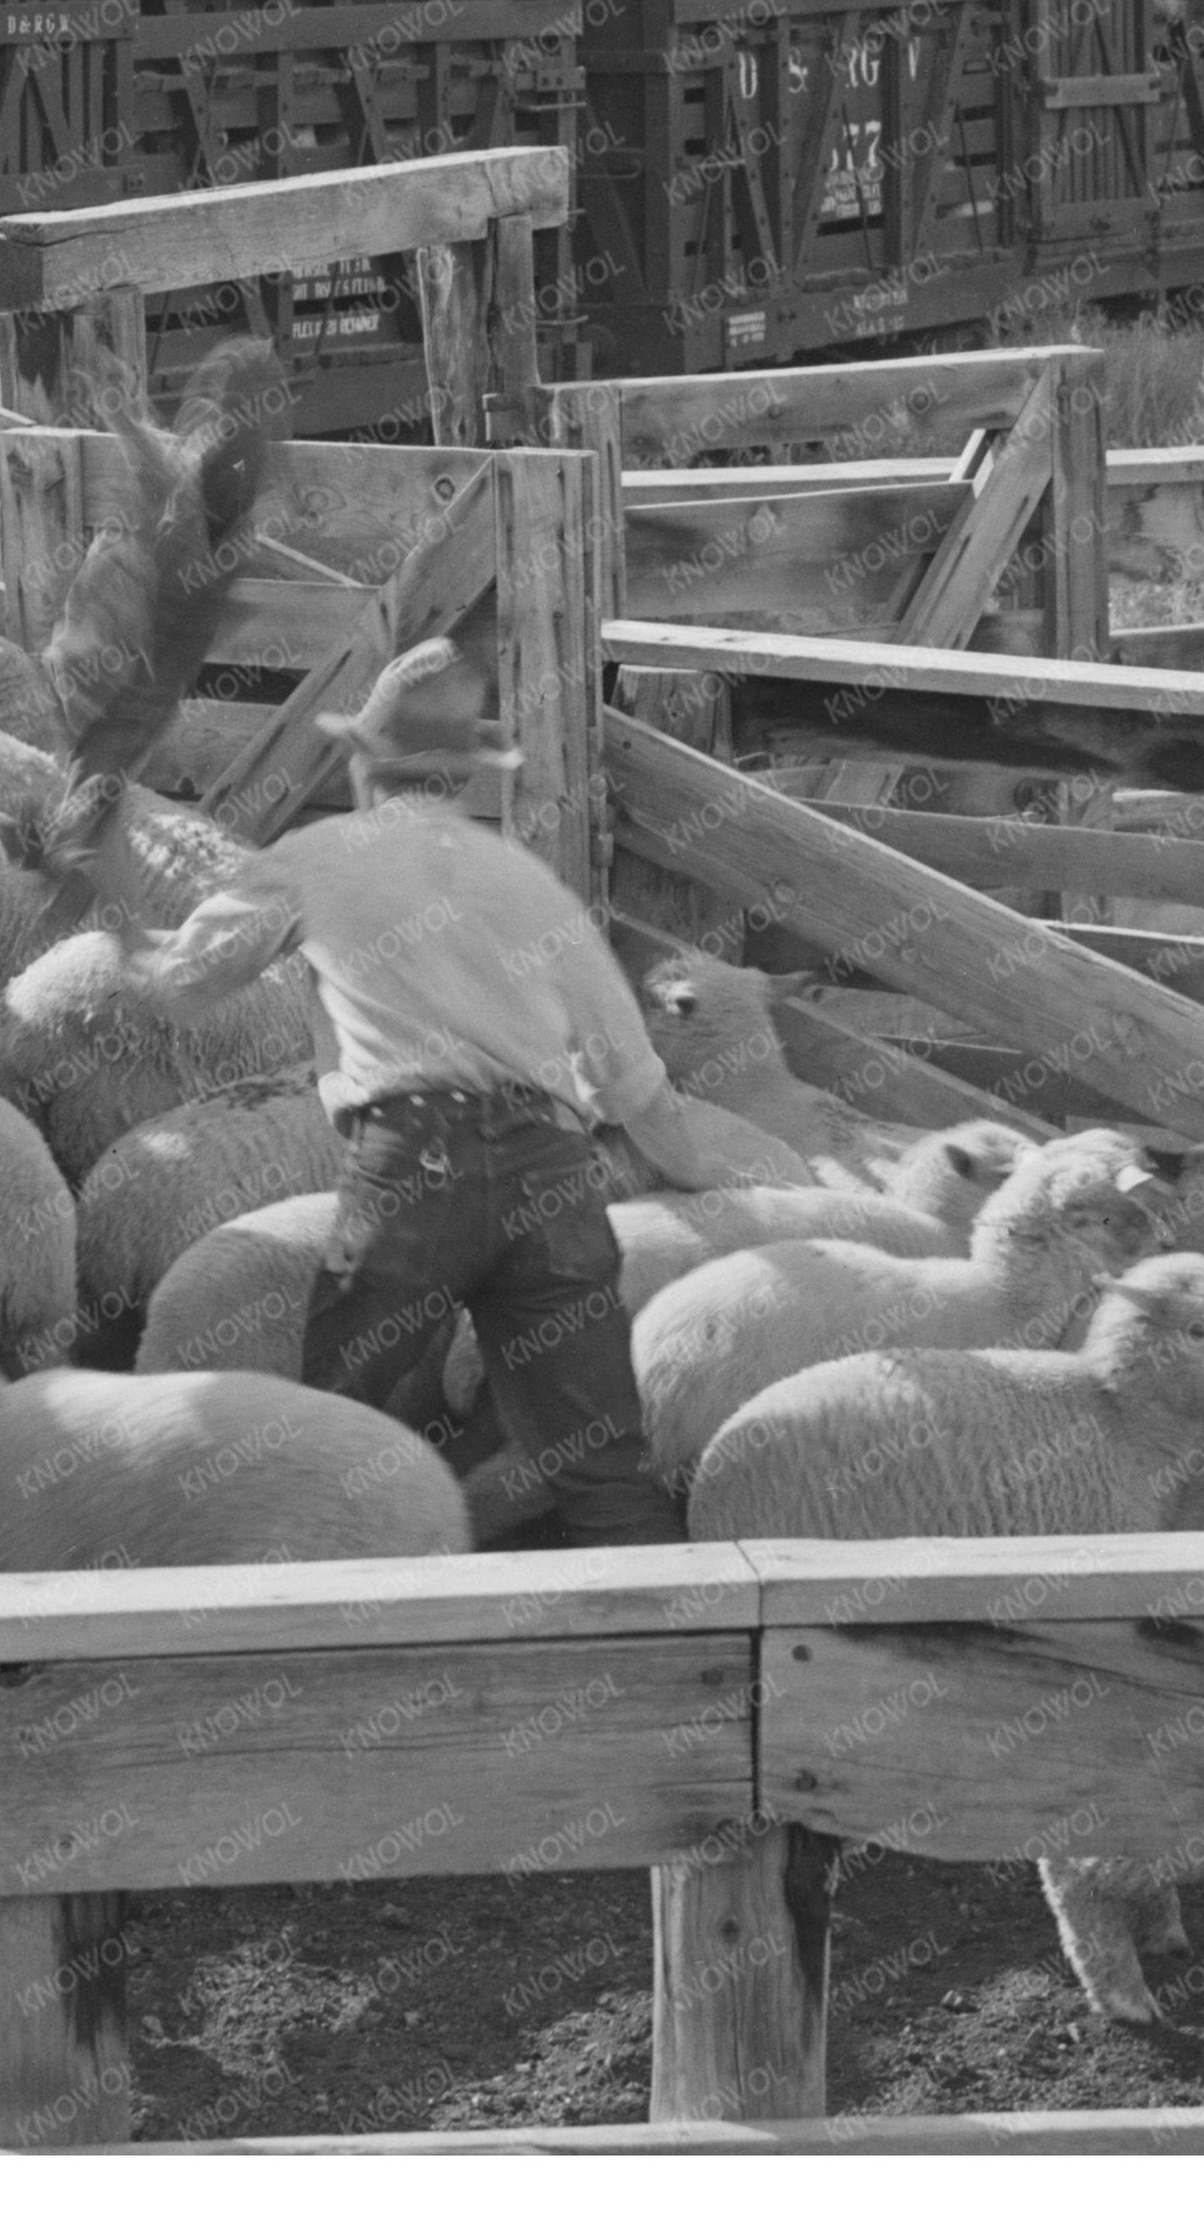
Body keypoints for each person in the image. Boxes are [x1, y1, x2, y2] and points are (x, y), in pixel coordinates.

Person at [45, 636, 786, 1546]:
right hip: (552, 1171)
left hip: (414, 1166)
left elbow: (179, 982)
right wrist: (711, 1183)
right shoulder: (530, 887)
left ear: (364, 760)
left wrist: (108, 873)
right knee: (597, 1463)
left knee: (320, 1438)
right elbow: (634, 1086)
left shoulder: (320, 856)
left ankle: (309, 1642)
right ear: (465, 776)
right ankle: (679, 1665)